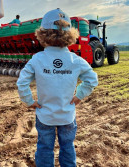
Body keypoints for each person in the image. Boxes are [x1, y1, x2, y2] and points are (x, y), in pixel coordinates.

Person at [16, 8, 98, 167]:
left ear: (42, 34)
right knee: (67, 147)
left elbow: (22, 82)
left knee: (45, 148)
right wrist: (79, 95)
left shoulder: (37, 59)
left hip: (45, 115)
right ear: (70, 34)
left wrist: (29, 101)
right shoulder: (75, 60)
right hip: (67, 115)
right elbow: (92, 79)